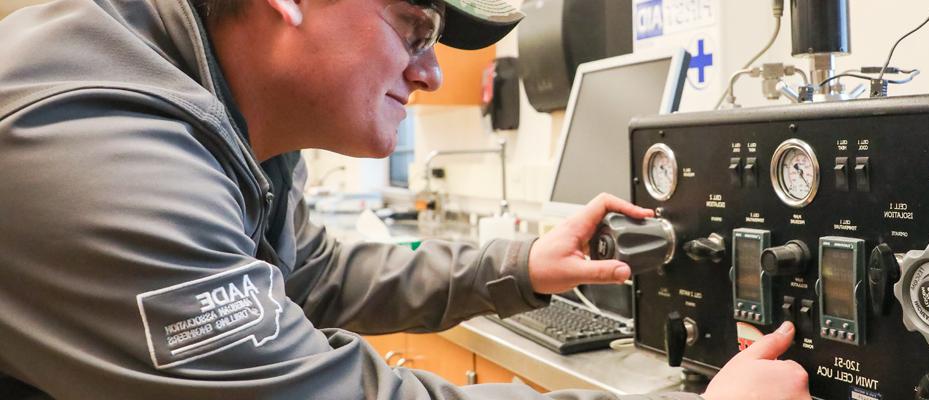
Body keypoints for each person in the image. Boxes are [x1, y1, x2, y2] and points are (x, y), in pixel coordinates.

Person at [0, 0, 811, 399]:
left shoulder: (223, 119)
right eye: (411, 28)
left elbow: (314, 273)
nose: (427, 71)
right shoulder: (94, 141)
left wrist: (521, 265)